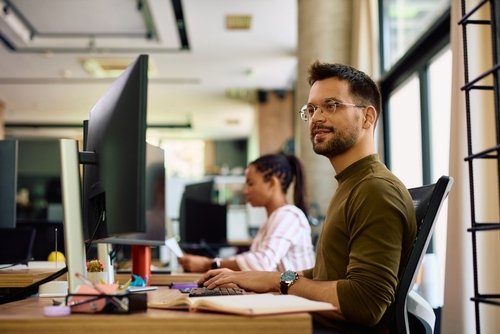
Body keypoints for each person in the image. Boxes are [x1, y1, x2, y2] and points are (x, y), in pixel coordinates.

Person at [197, 62, 417, 334]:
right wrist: (260, 278)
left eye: (332, 105)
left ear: (368, 117)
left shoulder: (375, 189)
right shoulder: (351, 184)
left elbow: (365, 303)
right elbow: (327, 276)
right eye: (311, 109)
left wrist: (278, 282)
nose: (317, 118)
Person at [179, 154, 315, 273]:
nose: (245, 191)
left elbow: (262, 263)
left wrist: (208, 264)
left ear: (272, 183)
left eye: (250, 184)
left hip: (294, 299)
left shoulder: (289, 215)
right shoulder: (273, 220)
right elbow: (254, 261)